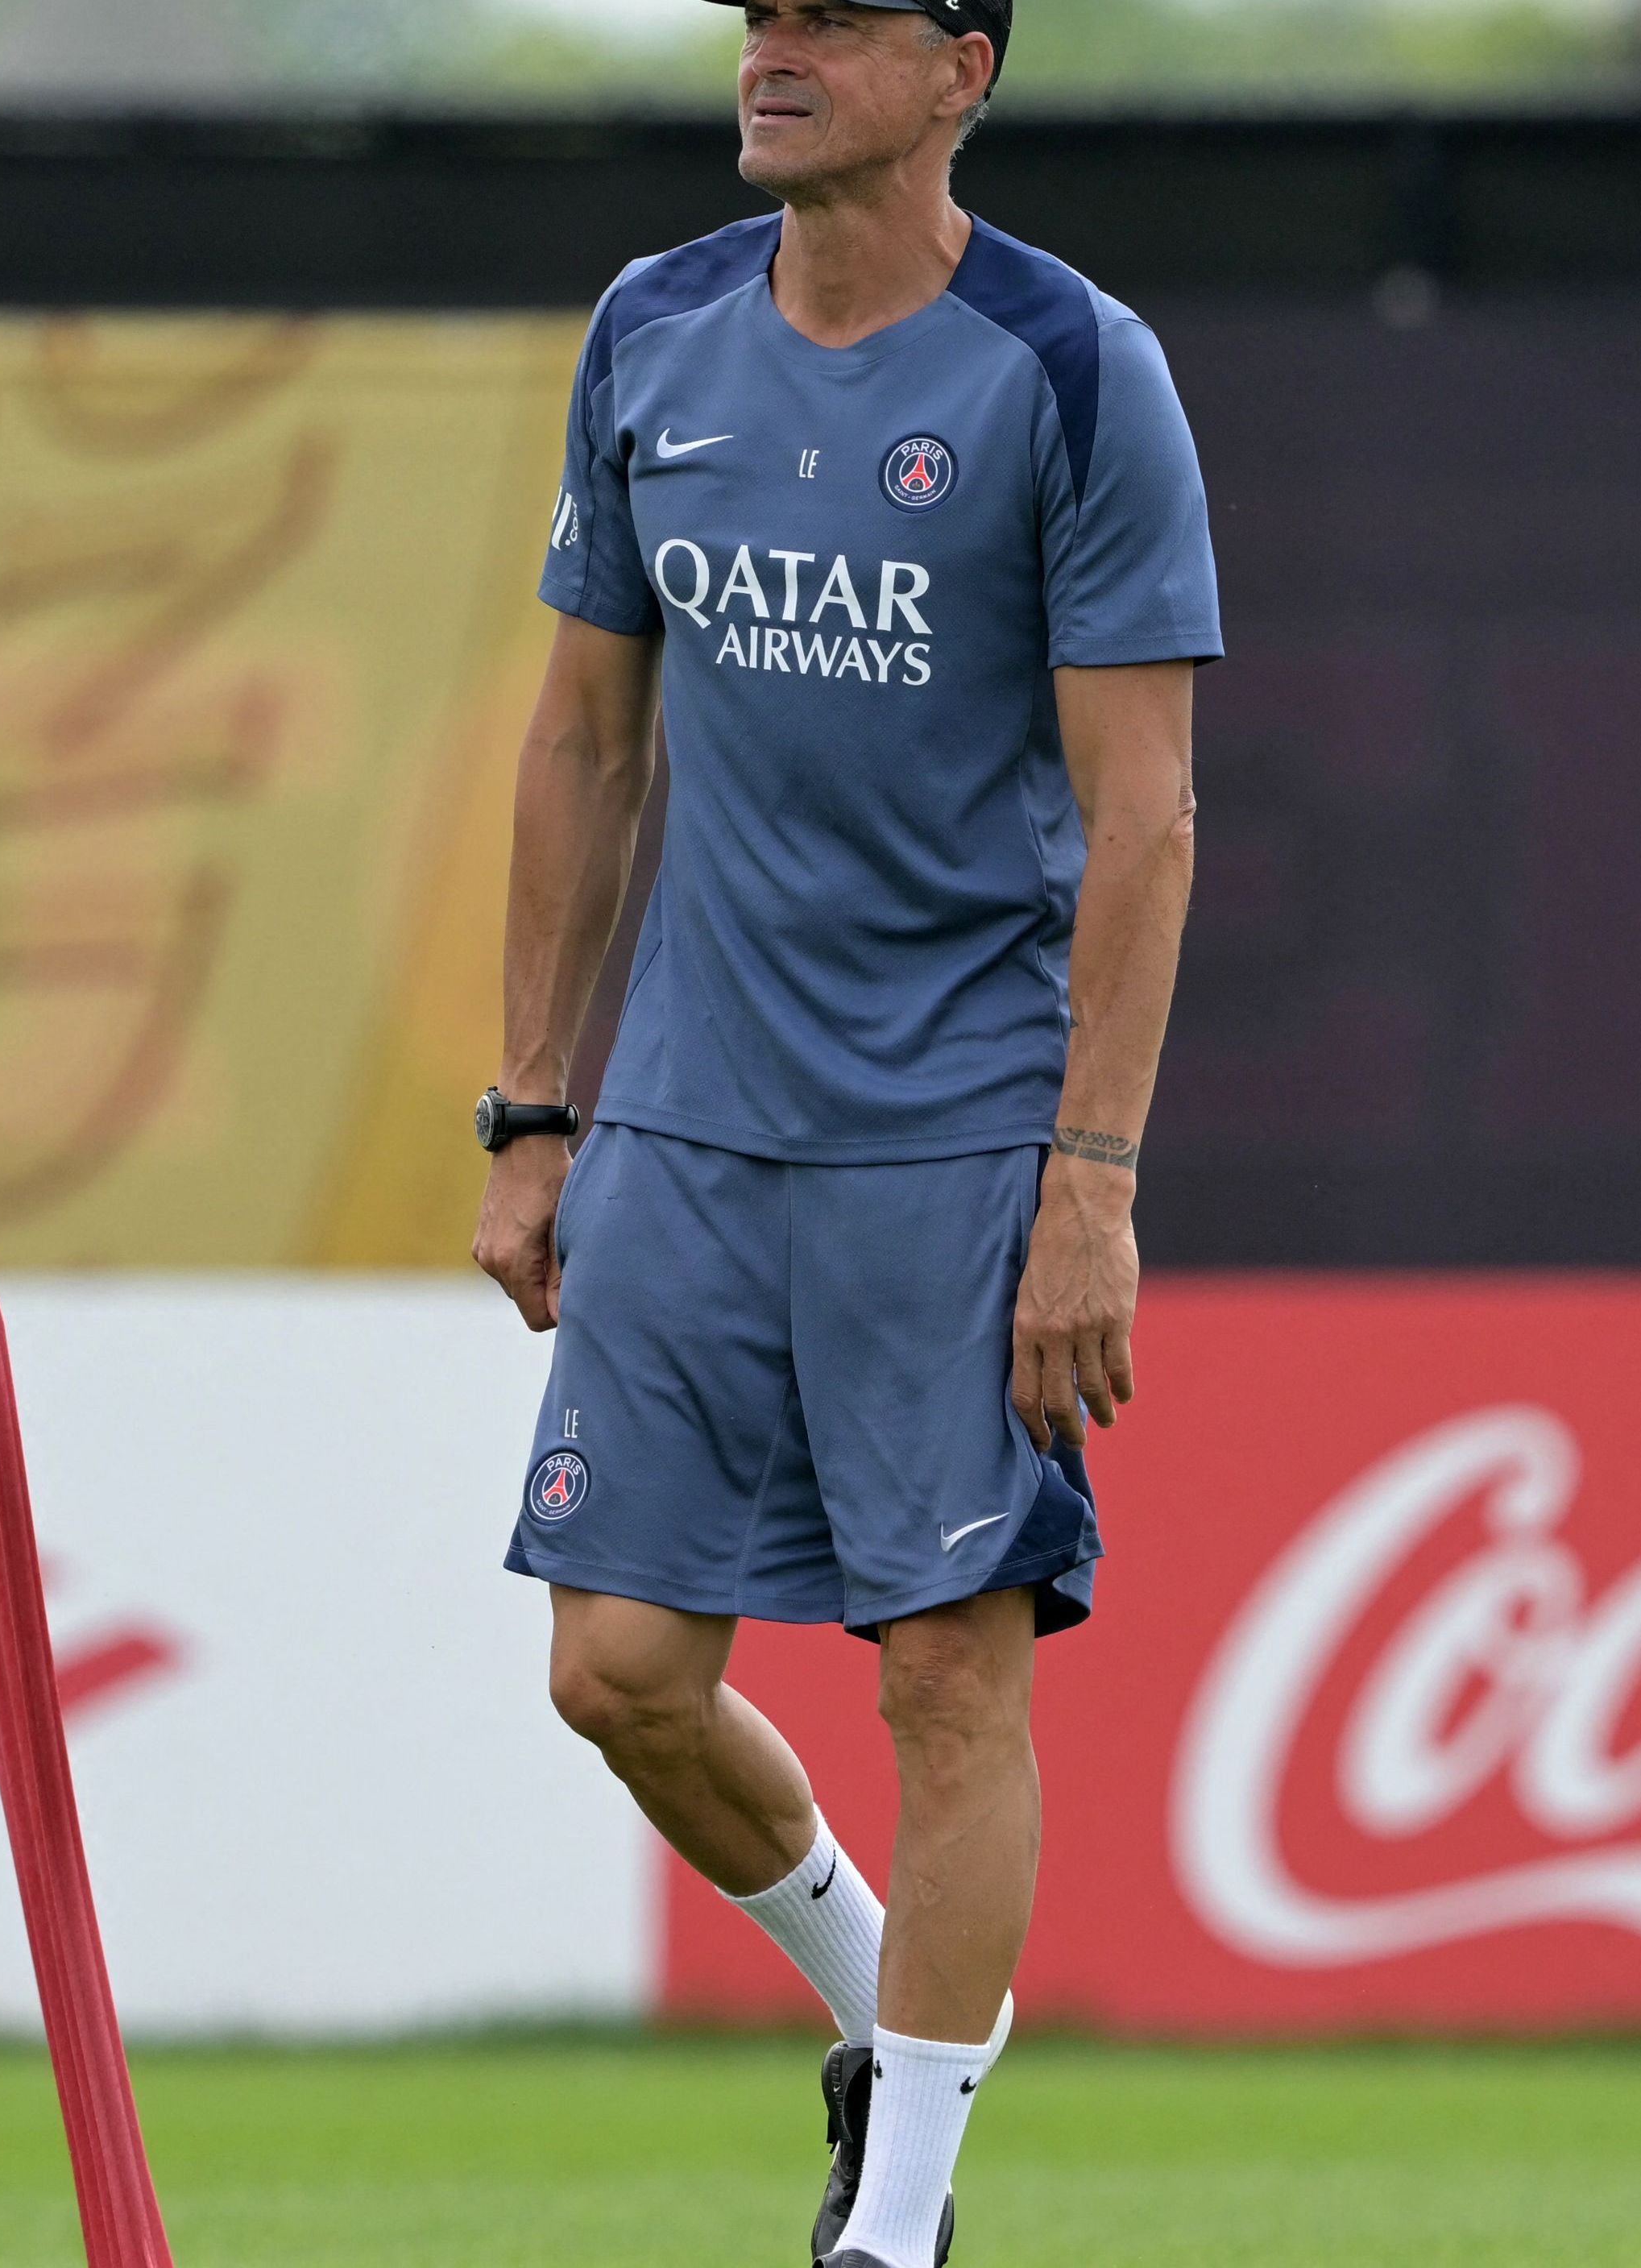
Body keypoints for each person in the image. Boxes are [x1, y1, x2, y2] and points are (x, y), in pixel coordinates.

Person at [468, 2, 1216, 2262]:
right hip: (686, 1125)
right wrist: (529, 1113)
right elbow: (586, 744)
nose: (768, 53)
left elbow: (1143, 813)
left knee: (938, 1666)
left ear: (959, 65)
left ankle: (894, 2230)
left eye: (828, 17)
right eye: (754, 14)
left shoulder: (1072, 369)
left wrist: (1089, 1181)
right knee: (613, 1674)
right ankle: (872, 2024)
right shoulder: (650, 329)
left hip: (962, 1139)